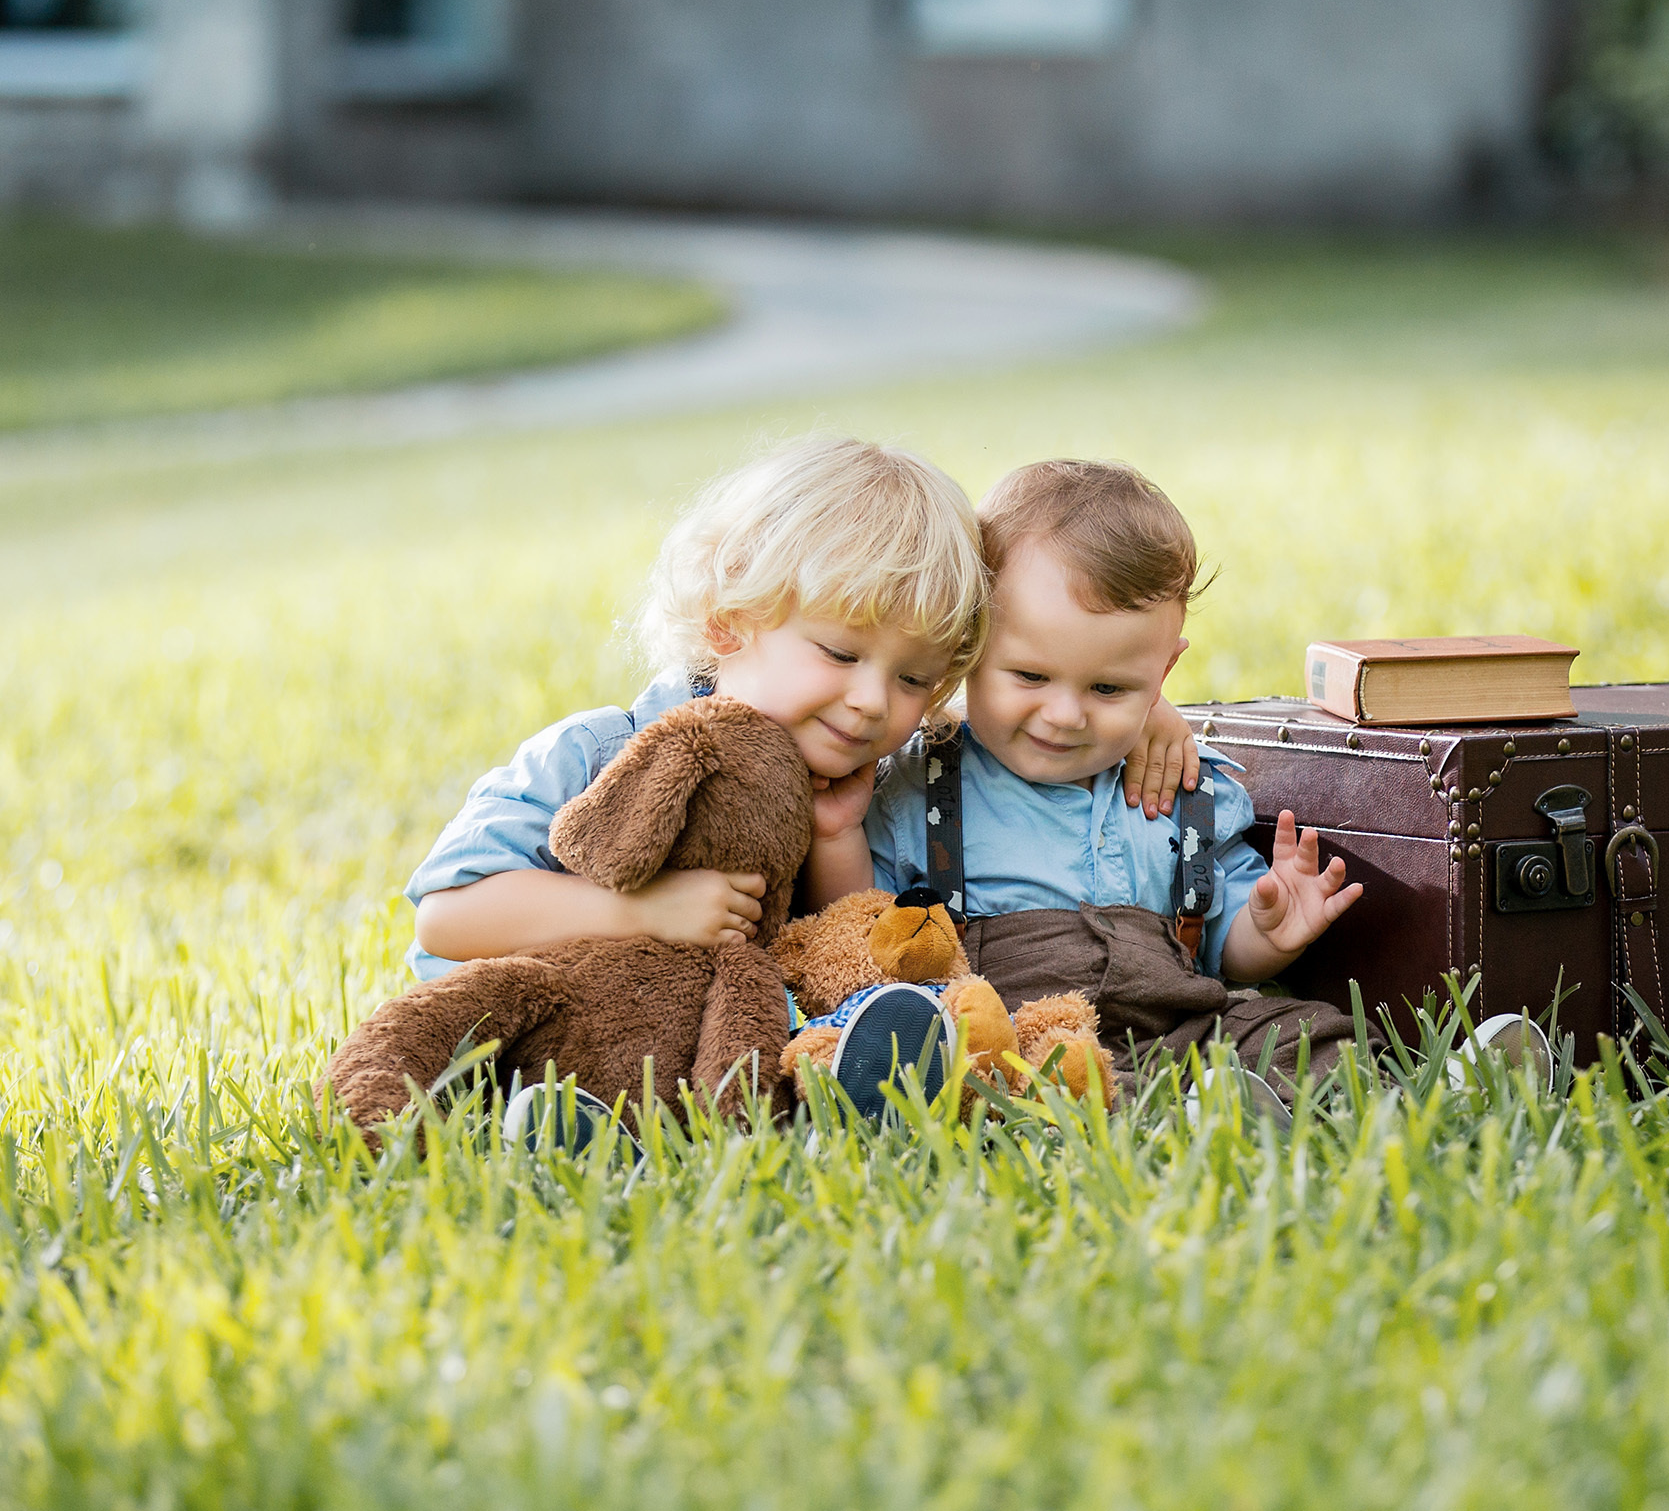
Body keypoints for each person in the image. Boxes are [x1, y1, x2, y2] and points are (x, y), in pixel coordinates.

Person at [399, 437, 1200, 1128]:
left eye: (914, 679)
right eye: (842, 654)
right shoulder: (600, 750)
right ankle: (561, 1128)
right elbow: (447, 917)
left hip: (718, 1059)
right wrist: (643, 911)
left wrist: (1146, 708)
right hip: (542, 1041)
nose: (872, 701)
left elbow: (841, 939)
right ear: (728, 619)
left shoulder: (859, 778)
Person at [866, 459, 1549, 1120]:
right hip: (1031, 1037)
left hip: (1186, 1022)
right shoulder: (922, 789)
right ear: (971, 643)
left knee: (1295, 1031)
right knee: (1041, 1077)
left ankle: (1431, 1095)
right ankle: (1203, 1115)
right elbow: (855, 921)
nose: (1066, 714)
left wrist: (1270, 929)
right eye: (1030, 677)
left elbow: (1222, 946)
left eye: (1109, 688)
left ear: (1164, 670)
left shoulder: (1187, 787)